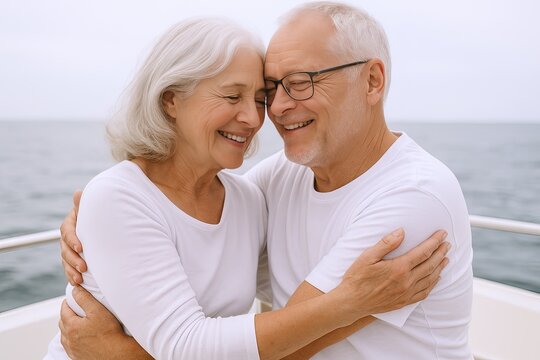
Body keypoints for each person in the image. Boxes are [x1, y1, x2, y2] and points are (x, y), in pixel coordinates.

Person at [48, 14, 449, 360]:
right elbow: (186, 343)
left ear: (373, 81)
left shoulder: (246, 199)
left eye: (259, 97)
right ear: (171, 100)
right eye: (233, 95)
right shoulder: (120, 197)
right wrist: (351, 302)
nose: (260, 115)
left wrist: (114, 353)